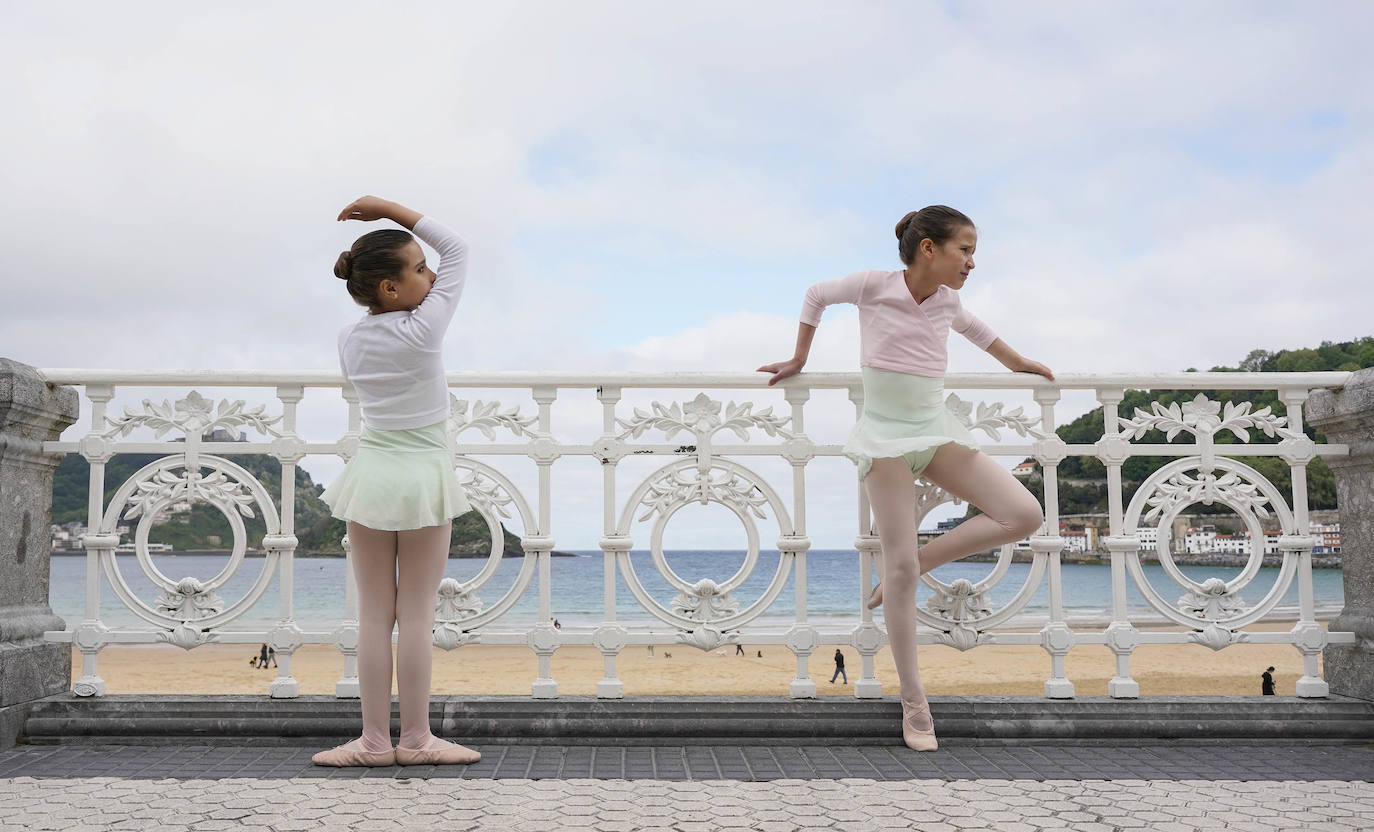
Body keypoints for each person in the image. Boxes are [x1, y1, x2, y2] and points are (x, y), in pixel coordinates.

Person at [759, 206, 1051, 751]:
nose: (971, 262)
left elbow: (983, 335)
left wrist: (1020, 364)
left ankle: (925, 558)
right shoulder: (873, 286)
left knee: (1024, 514)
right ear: (928, 249)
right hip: (885, 441)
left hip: (935, 433)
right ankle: (915, 704)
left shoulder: (949, 303)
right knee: (896, 568)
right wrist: (800, 356)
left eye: (972, 252)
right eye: (964, 250)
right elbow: (816, 295)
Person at [312, 196, 480, 768]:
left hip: (371, 474)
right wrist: (391, 209)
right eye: (418, 268)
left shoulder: (350, 339)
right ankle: (416, 740)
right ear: (391, 288)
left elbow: (443, 261)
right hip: (423, 477)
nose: (431, 276)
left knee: (373, 615)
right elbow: (457, 248)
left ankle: (373, 742)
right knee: (416, 616)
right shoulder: (423, 331)